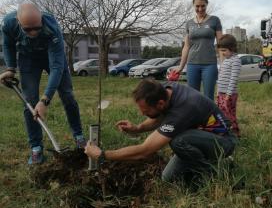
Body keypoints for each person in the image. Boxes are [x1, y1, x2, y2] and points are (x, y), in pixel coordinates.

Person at [84, 79, 237, 184]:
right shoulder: (165, 90)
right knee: (168, 178)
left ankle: (214, 171)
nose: (142, 114)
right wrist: (138, 128)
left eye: (146, 111)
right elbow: (159, 116)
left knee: (179, 141)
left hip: (223, 142)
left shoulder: (183, 109)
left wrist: (103, 155)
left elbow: (144, 151)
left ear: (161, 103)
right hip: (202, 137)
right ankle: (200, 162)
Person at [0, 3, 85, 164]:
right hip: (28, 58)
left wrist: (45, 100)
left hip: (51, 56)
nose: (33, 33)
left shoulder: (52, 28)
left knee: (67, 95)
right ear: (18, 22)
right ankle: (36, 148)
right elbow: (8, 44)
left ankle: (79, 137)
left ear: (41, 20)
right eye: (27, 29)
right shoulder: (8, 24)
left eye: (37, 28)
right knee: (30, 102)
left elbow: (56, 67)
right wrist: (10, 68)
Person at [174, 0, 222, 100]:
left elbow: (221, 44)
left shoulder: (214, 20)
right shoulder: (189, 23)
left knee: (208, 97)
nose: (200, 9)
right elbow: (186, 46)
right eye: (197, 6)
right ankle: (195, 117)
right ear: (193, 5)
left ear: (206, 4)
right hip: (192, 64)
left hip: (209, 64)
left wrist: (223, 63)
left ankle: (209, 117)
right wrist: (181, 66)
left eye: (203, 6)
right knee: (192, 97)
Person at [216, 34, 241, 137]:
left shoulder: (236, 60)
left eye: (224, 50)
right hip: (221, 93)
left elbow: (233, 78)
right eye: (221, 50)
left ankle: (235, 132)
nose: (222, 53)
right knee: (221, 113)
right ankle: (224, 130)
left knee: (229, 113)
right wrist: (218, 91)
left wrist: (228, 94)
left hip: (229, 94)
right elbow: (221, 77)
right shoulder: (226, 60)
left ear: (232, 48)